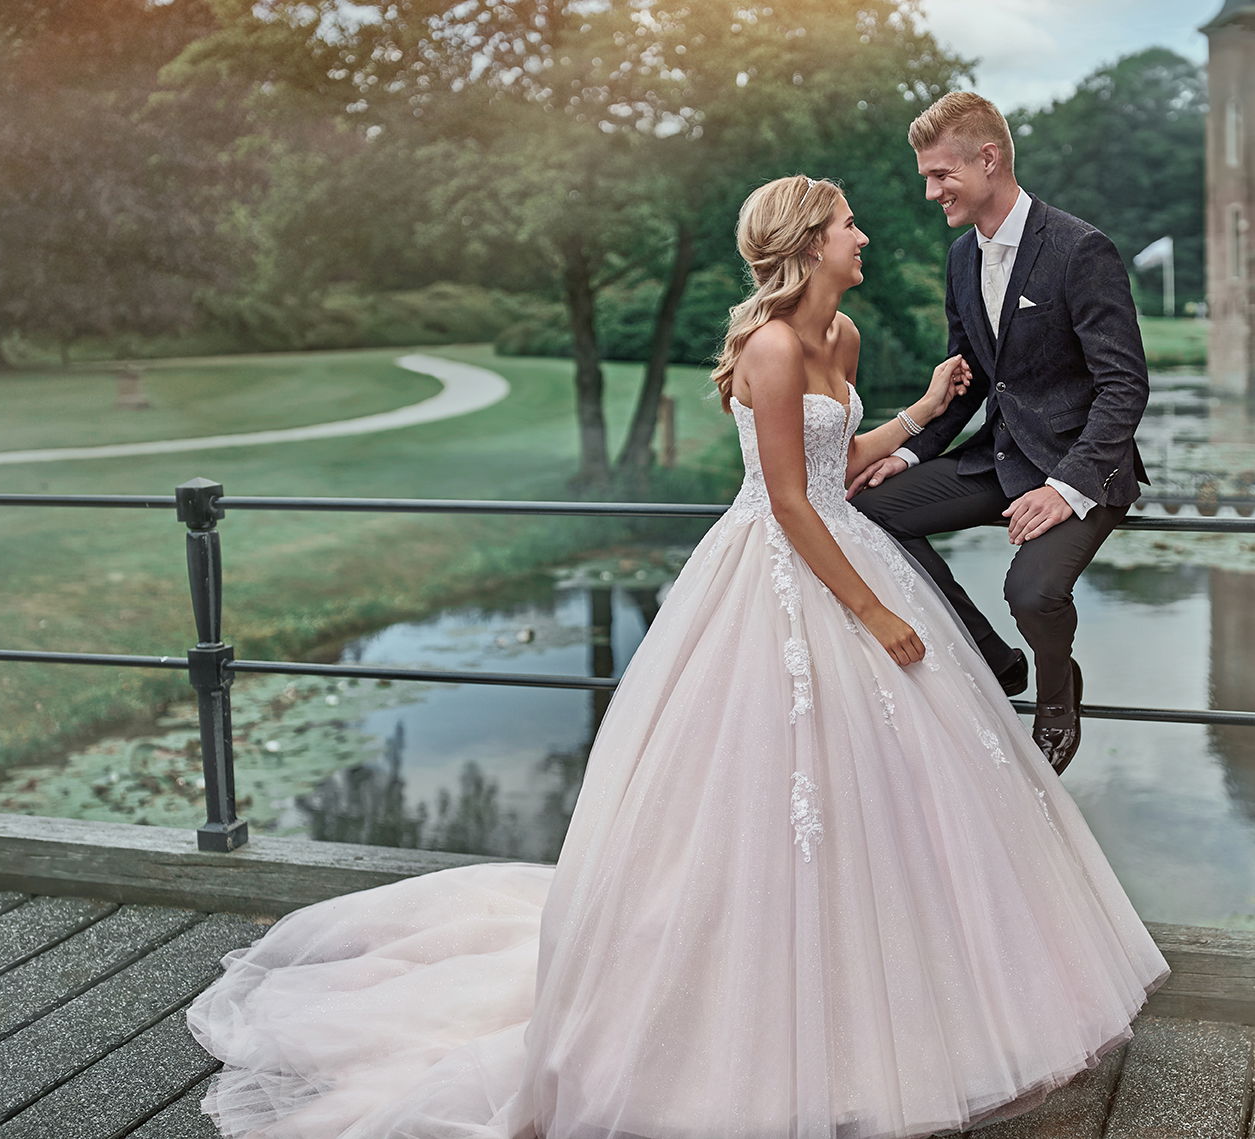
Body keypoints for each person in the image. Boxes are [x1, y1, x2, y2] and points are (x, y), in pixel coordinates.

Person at [186, 174, 1167, 1139]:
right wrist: (873, 613)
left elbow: (837, 459)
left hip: (845, 539)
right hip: (783, 570)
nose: (863, 235)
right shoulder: (773, 345)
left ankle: (917, 1002)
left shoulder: (842, 335)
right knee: (753, 797)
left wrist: (918, 410)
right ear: (807, 241)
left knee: (907, 786)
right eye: (847, 223)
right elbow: (787, 499)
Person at [850, 92, 1152, 775]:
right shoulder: (961, 259)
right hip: (1000, 455)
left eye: (939, 175)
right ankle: (994, 660)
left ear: (988, 159)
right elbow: (967, 380)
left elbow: (1124, 386)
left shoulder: (1081, 249)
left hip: (1083, 467)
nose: (930, 192)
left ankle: (1056, 697)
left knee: (1034, 593)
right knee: (867, 512)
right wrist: (908, 451)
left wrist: (1067, 487)